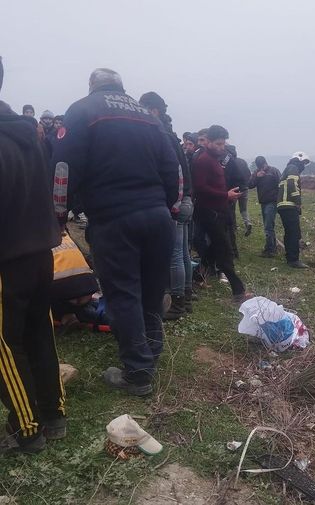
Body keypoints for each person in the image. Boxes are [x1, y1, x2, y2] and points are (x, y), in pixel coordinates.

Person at [52, 68, 180, 396]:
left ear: (91, 85)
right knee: (151, 292)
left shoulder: (82, 110)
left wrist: (59, 212)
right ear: (121, 86)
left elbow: (63, 169)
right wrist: (164, 206)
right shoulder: (147, 116)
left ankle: (138, 374)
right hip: (157, 216)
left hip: (114, 218)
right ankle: (150, 355)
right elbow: (174, 170)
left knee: (123, 294)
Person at [0, 56, 66, 454]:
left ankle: (26, 430)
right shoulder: (25, 134)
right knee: (39, 331)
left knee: (6, 346)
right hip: (39, 253)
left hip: (6, 260)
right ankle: (53, 414)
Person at [139, 91, 194, 319]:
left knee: (173, 254)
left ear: (153, 110)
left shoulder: (160, 134)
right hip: (186, 199)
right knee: (182, 253)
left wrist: (173, 202)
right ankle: (187, 298)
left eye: (142, 108)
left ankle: (177, 305)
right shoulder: (170, 135)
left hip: (176, 201)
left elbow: (174, 173)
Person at [191, 125, 248, 301]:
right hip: (209, 212)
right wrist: (225, 195)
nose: (221, 147)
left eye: (223, 144)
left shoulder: (215, 159)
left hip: (220, 210)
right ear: (208, 142)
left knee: (215, 248)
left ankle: (197, 276)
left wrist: (227, 196)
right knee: (225, 250)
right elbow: (199, 188)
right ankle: (239, 292)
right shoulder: (203, 160)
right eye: (218, 143)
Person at [277, 152, 310, 268]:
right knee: (294, 233)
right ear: (299, 160)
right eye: (304, 162)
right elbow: (292, 184)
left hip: (283, 205)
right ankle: (293, 260)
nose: (304, 166)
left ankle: (290, 257)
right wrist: (298, 202)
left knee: (289, 232)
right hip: (289, 205)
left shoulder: (288, 168)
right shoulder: (293, 168)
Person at [249, 156, 280, 258]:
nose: (262, 168)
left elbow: (281, 185)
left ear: (266, 163)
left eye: (263, 166)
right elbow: (249, 185)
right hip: (263, 202)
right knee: (268, 225)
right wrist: (257, 177)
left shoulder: (274, 171)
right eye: (260, 167)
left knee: (268, 226)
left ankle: (270, 250)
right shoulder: (256, 172)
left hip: (272, 202)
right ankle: (273, 247)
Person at [223, 144, 251, 257]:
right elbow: (248, 175)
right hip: (244, 189)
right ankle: (247, 222)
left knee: (231, 211)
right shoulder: (242, 161)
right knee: (243, 208)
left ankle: (233, 227)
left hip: (232, 190)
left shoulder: (227, 161)